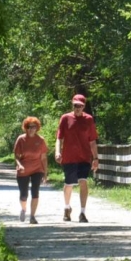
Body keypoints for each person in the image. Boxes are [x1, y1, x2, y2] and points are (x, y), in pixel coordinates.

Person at [56, 94, 98, 222]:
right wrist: (58, 152)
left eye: (80, 106)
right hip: (69, 157)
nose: (77, 108)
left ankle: (82, 213)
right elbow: (59, 138)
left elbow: (92, 141)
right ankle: (67, 208)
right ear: (72, 105)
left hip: (84, 157)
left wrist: (95, 158)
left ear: (84, 106)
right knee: (69, 183)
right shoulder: (65, 118)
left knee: (83, 181)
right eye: (75, 105)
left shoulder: (88, 120)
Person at [14, 117, 49, 224]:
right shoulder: (21, 139)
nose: (31, 129)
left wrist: (45, 173)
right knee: (23, 195)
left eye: (33, 127)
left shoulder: (41, 140)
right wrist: (19, 165)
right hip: (23, 170)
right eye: (29, 127)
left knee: (35, 192)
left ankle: (32, 216)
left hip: (37, 169)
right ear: (26, 128)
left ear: (37, 128)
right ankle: (23, 209)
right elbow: (16, 156)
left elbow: (44, 158)